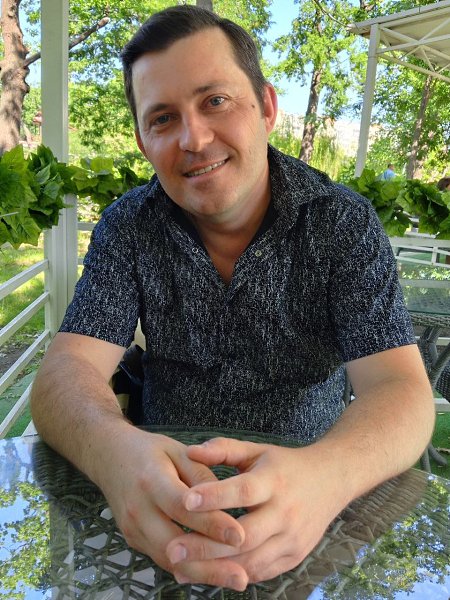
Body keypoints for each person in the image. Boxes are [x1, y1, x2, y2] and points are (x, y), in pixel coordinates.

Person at [30, 5, 434, 592]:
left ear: (266, 107)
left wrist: (328, 474)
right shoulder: (130, 226)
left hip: (309, 508)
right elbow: (65, 372)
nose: (193, 138)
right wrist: (115, 452)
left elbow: (400, 389)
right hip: (163, 503)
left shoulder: (340, 223)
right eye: (163, 118)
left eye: (215, 100)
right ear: (143, 140)